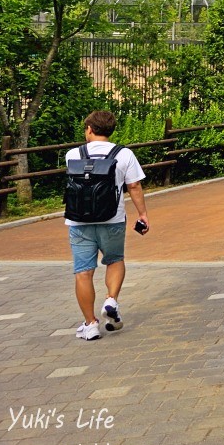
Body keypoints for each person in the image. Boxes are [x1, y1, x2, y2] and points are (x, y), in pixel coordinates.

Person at [64, 110, 150, 340]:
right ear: (111, 130)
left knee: (83, 272)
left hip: (78, 220)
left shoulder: (73, 154)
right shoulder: (124, 154)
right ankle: (111, 300)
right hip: (112, 219)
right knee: (115, 260)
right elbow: (134, 187)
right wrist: (142, 214)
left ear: (90, 129)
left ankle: (90, 325)